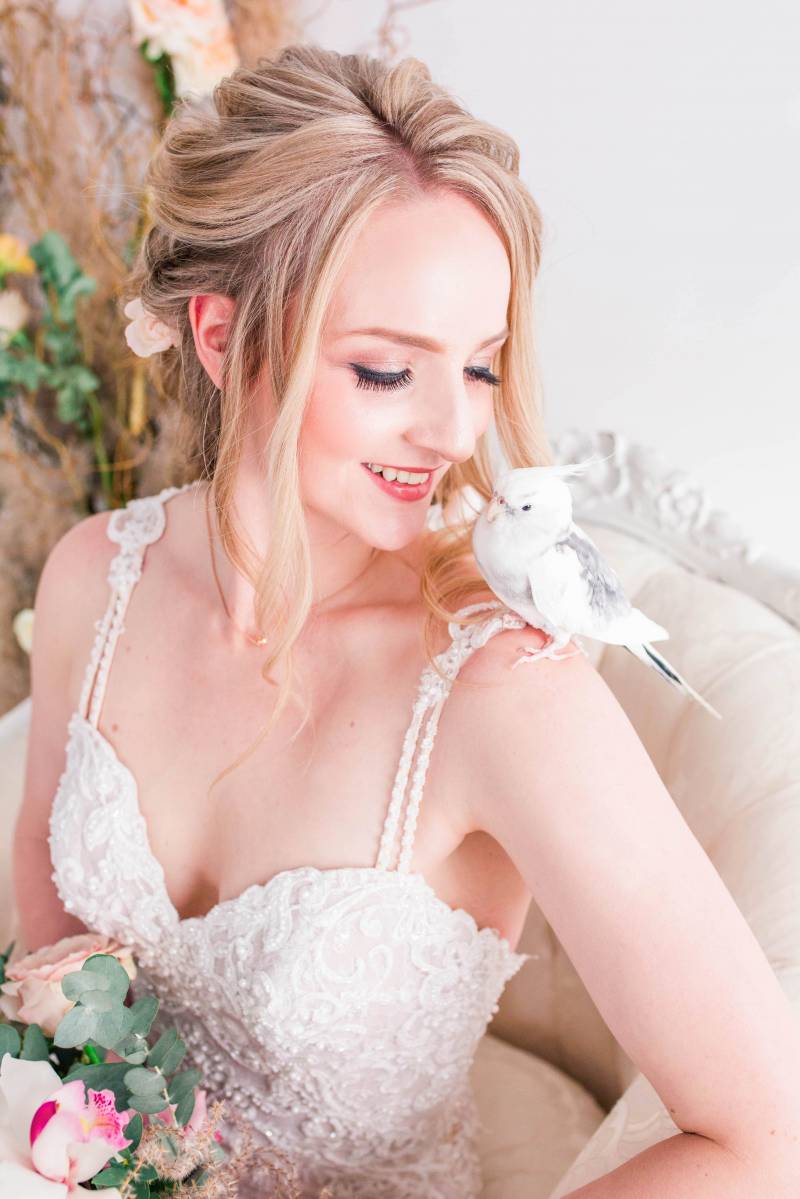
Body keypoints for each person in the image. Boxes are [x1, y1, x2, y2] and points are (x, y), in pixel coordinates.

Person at [15, 42, 800, 1199]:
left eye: (478, 369)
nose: (449, 431)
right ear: (221, 337)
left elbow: (766, 1137)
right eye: (386, 369)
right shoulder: (95, 579)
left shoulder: (501, 689)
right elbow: (48, 971)